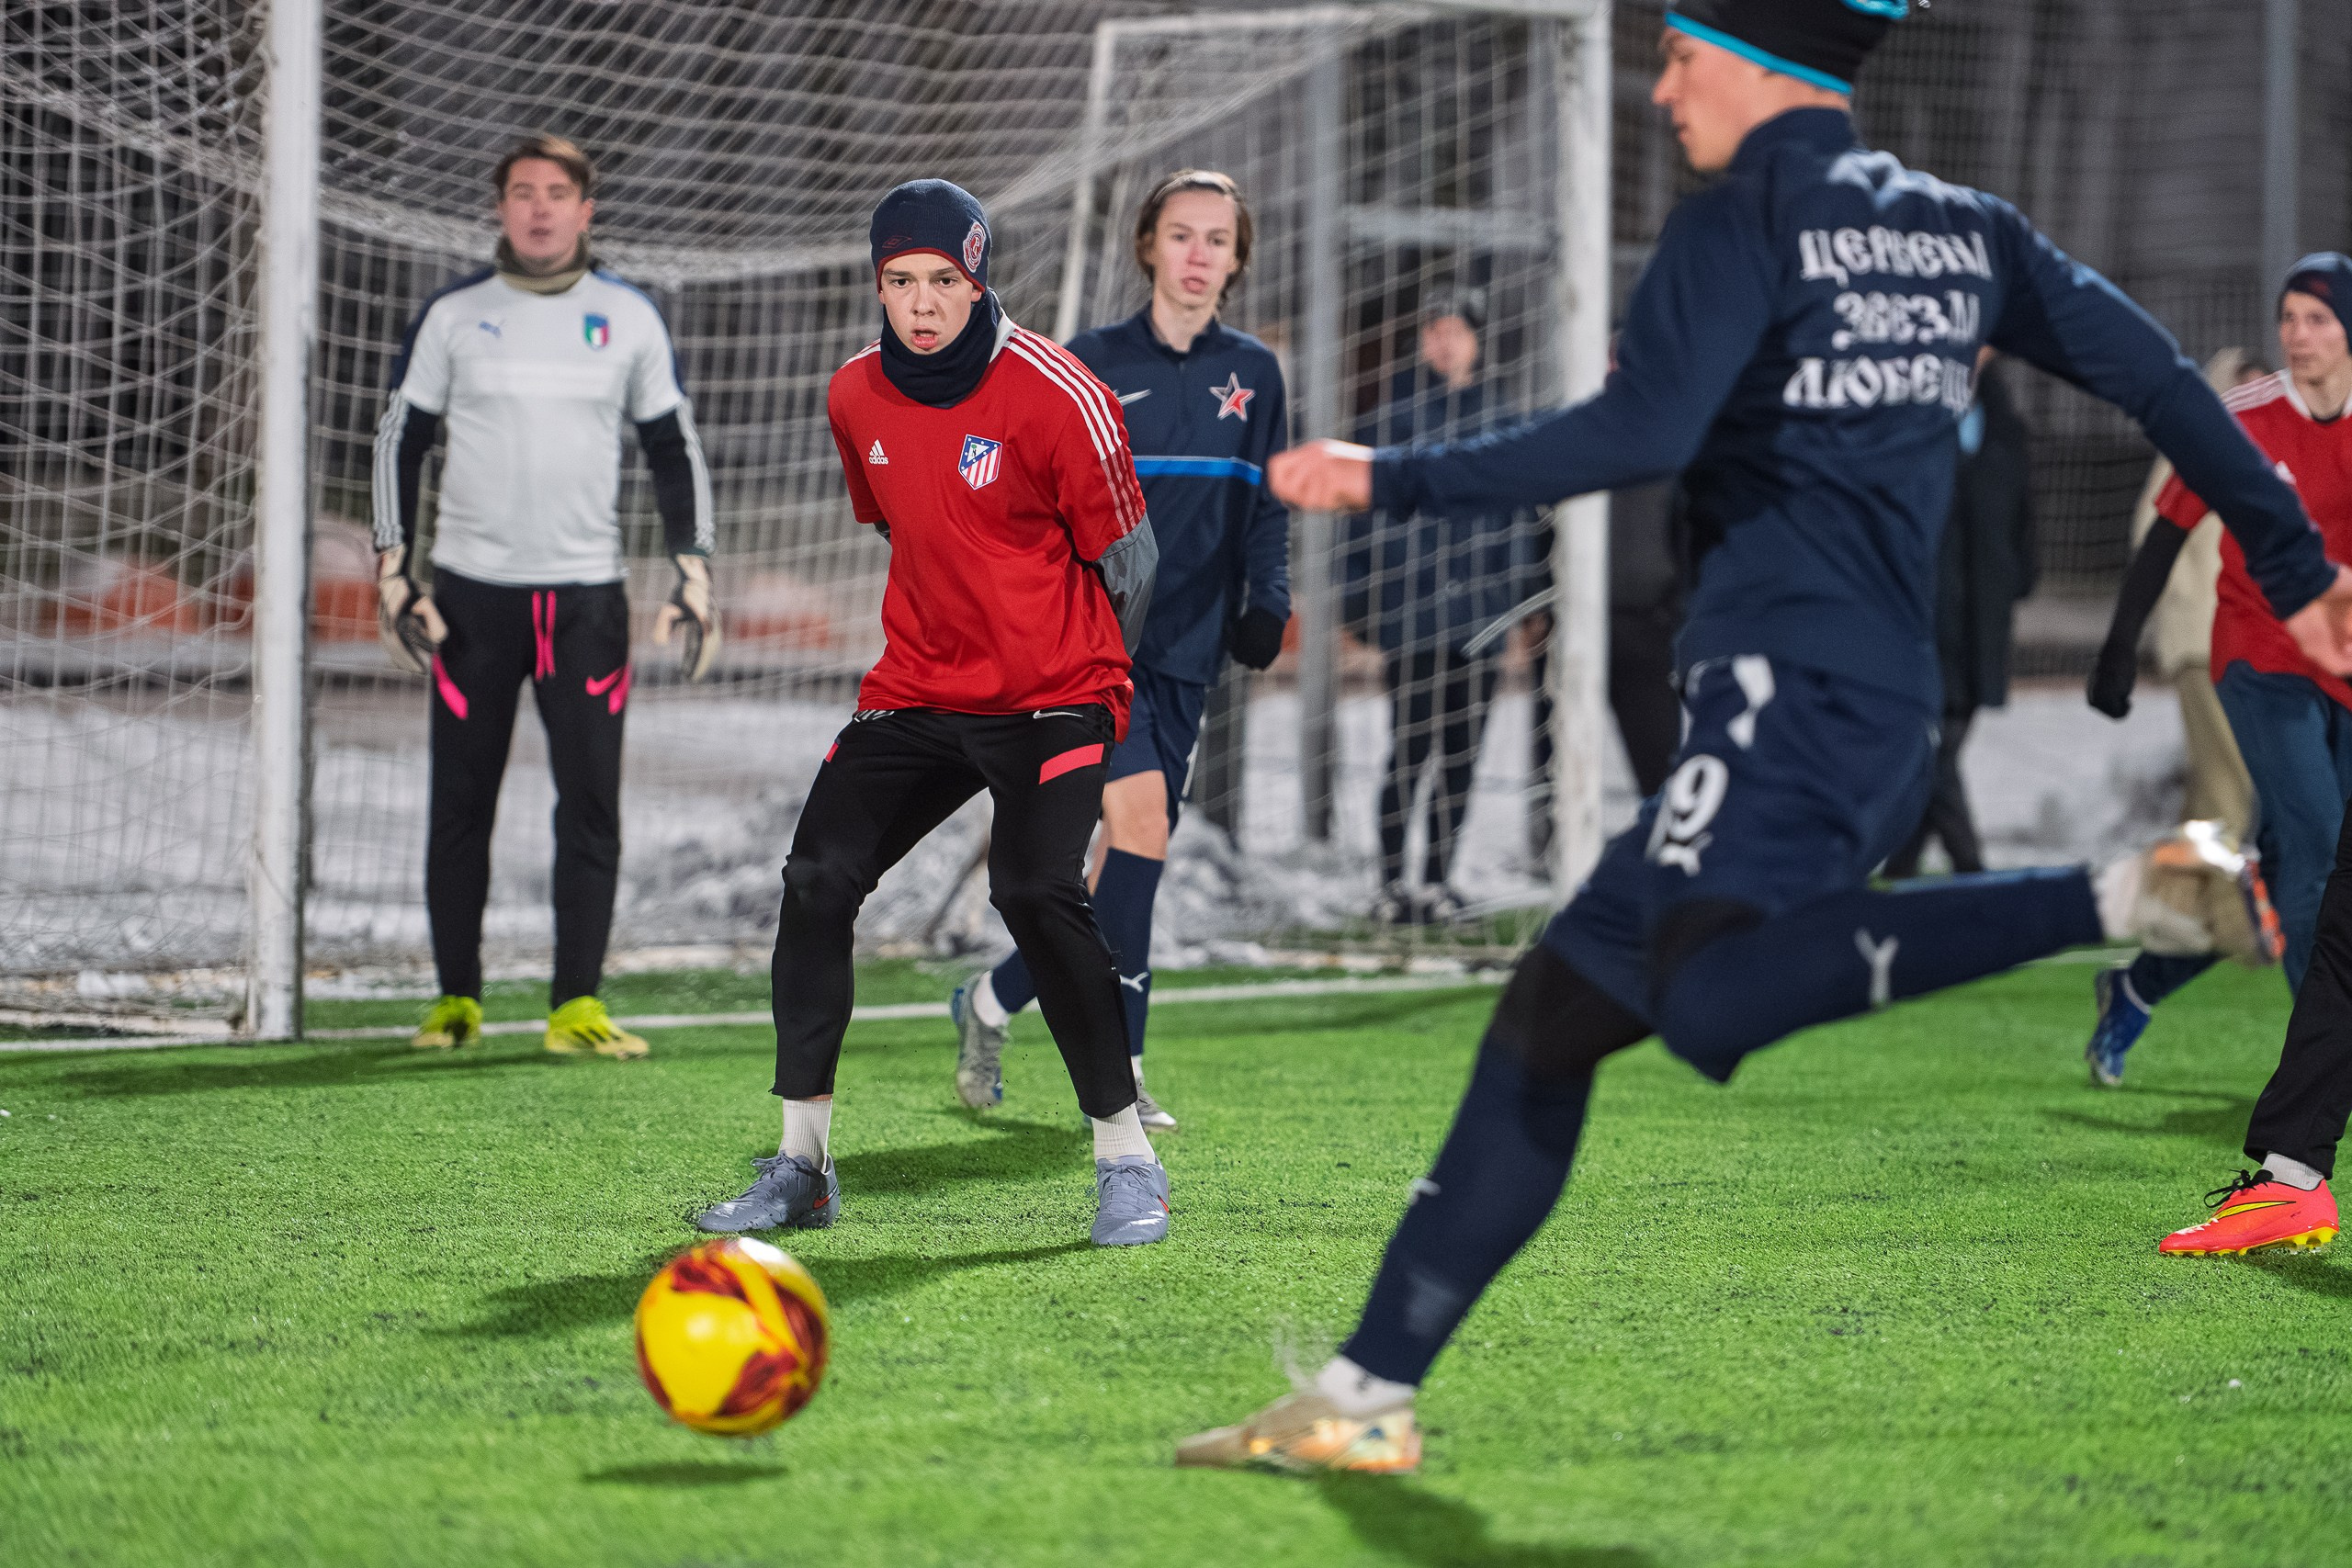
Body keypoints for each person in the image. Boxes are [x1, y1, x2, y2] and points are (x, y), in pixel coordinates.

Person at [1172, 0, 2352, 1474]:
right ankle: (1363, 1392)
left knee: (1710, 998)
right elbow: (2166, 382)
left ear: (1758, 63)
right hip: (1852, 700)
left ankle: (2123, 894)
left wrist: (1385, 475)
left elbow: (1636, 433)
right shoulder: (1961, 229)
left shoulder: (1742, 220)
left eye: (1678, 56)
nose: (1662, 89)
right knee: (1550, 1020)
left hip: (1790, 698)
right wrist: (2298, 572)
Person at [689, 179, 1170, 1248]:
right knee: (817, 879)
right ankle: (802, 1166)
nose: (920, 304)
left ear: (977, 276)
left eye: (941, 282)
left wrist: (1093, 698)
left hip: (1057, 693)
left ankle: (1127, 1159)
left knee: (1036, 891)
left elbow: (1134, 565)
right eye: (899, 283)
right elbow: (901, 526)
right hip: (918, 688)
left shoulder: (1059, 394)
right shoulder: (853, 394)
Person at [948, 170, 1291, 1133]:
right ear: (1147, 245)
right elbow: (1028, 494)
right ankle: (1124, 1071)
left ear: (1235, 258)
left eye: (1215, 240)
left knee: (1125, 861)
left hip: (1189, 650)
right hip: (1090, 641)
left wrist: (1270, 599)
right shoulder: (1086, 360)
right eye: (1179, 235)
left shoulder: (1255, 374)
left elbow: (1264, 507)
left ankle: (991, 999)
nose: (1195, 255)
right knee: (1138, 829)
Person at [373, 134, 717, 1061]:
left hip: (585, 606)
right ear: (501, 208)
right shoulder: (453, 316)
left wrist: (693, 565)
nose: (538, 208)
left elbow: (673, 448)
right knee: (460, 803)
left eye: (556, 193)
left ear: (584, 210)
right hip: (471, 601)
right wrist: (392, 564)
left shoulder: (629, 318)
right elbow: (400, 439)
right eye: (521, 192)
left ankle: (576, 1006)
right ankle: (455, 999)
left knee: (591, 804)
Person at [2078, 347, 2275, 1088]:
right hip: (2209, 647)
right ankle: (2235, 924)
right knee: (2235, 803)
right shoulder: (2206, 444)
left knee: (2221, 812)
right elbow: (2154, 538)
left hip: (2279, 657)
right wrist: (2156, 634)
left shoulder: (2287, 451)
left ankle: (2153, 921)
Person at [1342, 289, 1522, 921]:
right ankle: (1393, 882)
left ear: (1478, 341)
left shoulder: (1502, 422)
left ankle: (1440, 879)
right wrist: (1358, 597)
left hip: (1478, 619)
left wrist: (1517, 598)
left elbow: (1517, 521)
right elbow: (1360, 517)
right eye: (1435, 329)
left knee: (1462, 754)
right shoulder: (1391, 421)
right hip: (1411, 616)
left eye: (1458, 331)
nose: (1446, 341)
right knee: (1408, 749)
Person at [1884, 348, 2037, 877]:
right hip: (1923, 621)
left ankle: (1902, 867)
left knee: (1938, 753)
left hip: (1980, 628)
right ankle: (1969, 866)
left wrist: (2018, 578)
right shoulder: (1913, 426)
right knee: (1936, 752)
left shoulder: (2005, 429)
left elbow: (2023, 520)